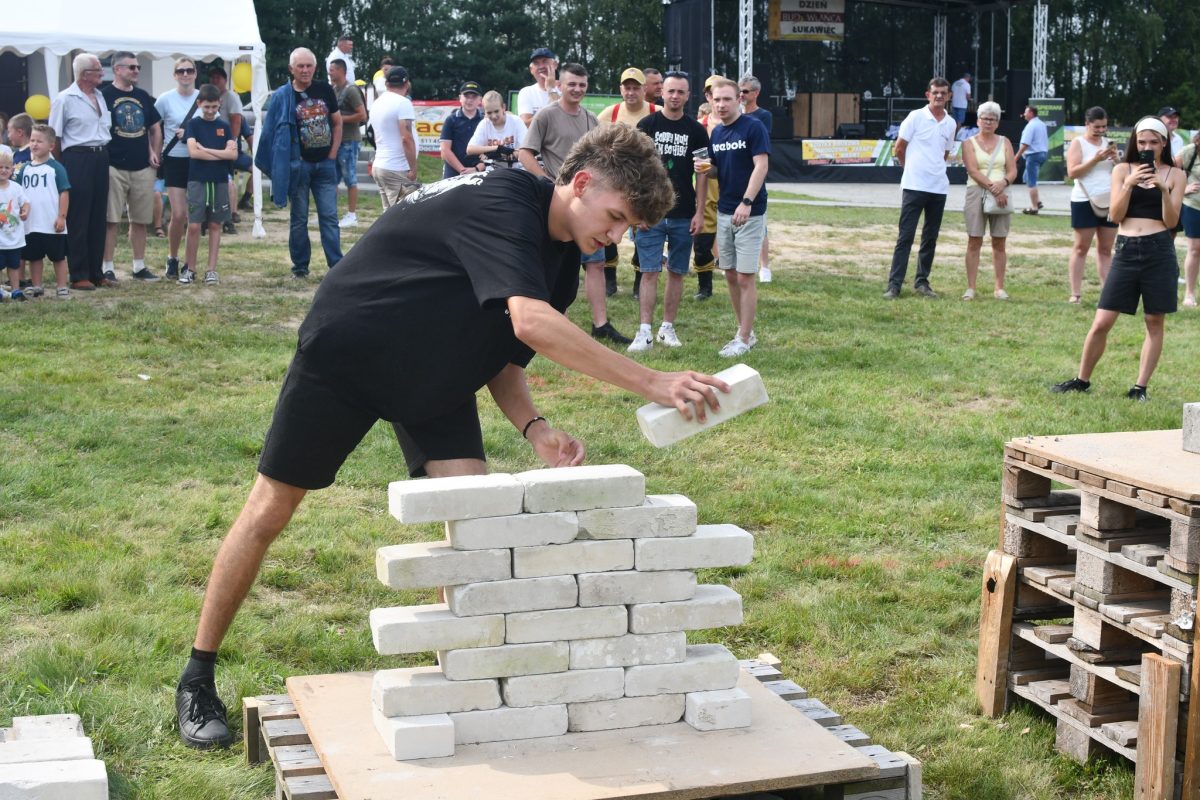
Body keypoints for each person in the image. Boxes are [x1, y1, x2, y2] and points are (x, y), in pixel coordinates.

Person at [172, 122, 730, 749]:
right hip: (349, 352)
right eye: (618, 217)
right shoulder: (504, 201)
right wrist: (652, 381)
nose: (618, 236)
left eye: (629, 229)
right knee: (270, 510)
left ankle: (465, 676)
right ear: (580, 184)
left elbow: (505, 348)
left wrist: (535, 427)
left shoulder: (565, 258)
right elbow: (531, 321)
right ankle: (197, 675)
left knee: (471, 514)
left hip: (433, 372)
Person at [1051, 117, 1185, 402]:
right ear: (1134, 143)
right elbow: (1114, 215)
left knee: (1154, 320)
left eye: (1153, 142)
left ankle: (1140, 387)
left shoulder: (1175, 175)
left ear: (1164, 143)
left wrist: (1162, 189)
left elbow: (1172, 221)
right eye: (1142, 142)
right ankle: (1082, 379)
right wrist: (1128, 185)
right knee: (1102, 320)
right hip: (1126, 249)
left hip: (1159, 250)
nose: (1147, 147)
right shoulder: (1122, 169)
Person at [520, 63, 629, 345]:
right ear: (560, 86)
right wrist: (547, 183)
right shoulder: (546, 115)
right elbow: (525, 153)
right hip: (560, 208)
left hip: (589, 207)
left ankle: (600, 323)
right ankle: (558, 324)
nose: (577, 89)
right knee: (558, 268)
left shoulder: (591, 119)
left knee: (595, 265)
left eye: (582, 85)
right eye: (572, 84)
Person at [627, 71, 709, 352]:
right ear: (662, 92)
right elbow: (633, 172)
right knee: (649, 272)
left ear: (688, 96)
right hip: (651, 214)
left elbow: (705, 174)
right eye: (670, 91)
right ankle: (644, 332)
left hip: (684, 213)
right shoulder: (646, 125)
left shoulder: (697, 130)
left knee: (677, 272)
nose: (675, 96)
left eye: (681, 92)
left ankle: (667, 328)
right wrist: (637, 211)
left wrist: (700, 212)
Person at [255, 47, 343, 279]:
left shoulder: (325, 89)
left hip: (325, 165)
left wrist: (332, 155)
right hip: (299, 166)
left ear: (315, 68)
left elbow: (337, 122)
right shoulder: (283, 96)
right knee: (299, 219)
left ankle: (337, 266)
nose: (305, 70)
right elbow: (271, 133)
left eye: (309, 66)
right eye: (300, 66)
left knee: (329, 217)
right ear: (291, 68)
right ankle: (300, 266)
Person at [707, 77, 768, 357]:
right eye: (717, 99)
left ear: (739, 100)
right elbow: (719, 170)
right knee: (729, 274)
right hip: (724, 210)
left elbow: (761, 166)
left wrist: (746, 202)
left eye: (727, 99)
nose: (721, 104)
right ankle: (745, 331)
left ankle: (743, 338)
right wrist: (705, 168)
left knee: (745, 277)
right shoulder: (717, 133)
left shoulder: (753, 128)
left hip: (749, 212)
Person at [884, 77, 955, 300]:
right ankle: (894, 285)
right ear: (928, 94)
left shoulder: (951, 123)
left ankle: (922, 282)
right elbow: (899, 148)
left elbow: (944, 153)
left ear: (949, 96)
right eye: (935, 92)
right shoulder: (915, 116)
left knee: (930, 238)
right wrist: (910, 170)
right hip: (914, 185)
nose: (939, 96)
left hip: (938, 188)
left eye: (943, 93)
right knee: (905, 237)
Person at [49, 53, 111, 292]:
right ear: (85, 74)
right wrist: (63, 168)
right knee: (79, 216)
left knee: (98, 216)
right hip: (77, 157)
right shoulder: (65, 99)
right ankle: (79, 273)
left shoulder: (101, 96)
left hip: (100, 155)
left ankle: (96, 271)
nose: (101, 74)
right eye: (98, 70)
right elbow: (55, 137)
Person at [101, 51, 163, 282]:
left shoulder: (143, 96)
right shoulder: (104, 95)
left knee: (140, 219)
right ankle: (107, 267)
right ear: (117, 69)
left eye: (138, 67)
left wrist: (154, 153)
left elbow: (155, 127)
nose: (136, 70)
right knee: (111, 219)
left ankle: (139, 266)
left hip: (142, 167)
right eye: (131, 67)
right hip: (114, 165)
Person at [598, 67, 657, 297]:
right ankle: (610, 280)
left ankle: (639, 281)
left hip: (645, 183)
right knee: (608, 230)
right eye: (627, 87)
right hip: (616, 183)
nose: (631, 92)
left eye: (636, 87)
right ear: (621, 89)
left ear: (644, 89)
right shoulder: (608, 114)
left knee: (644, 232)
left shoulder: (657, 111)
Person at [959, 101, 1016, 301]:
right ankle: (971, 287)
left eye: (993, 119)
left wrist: (1004, 183)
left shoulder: (1005, 142)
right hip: (977, 191)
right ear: (978, 121)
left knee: (999, 241)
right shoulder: (968, 143)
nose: (988, 122)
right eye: (985, 118)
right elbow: (973, 170)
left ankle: (999, 287)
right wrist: (995, 189)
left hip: (1002, 192)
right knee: (974, 240)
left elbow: (1012, 169)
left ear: (998, 123)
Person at [182, 84, 236, 286]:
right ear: (199, 104)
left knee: (215, 224)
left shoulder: (225, 126)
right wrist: (220, 154)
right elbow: (193, 153)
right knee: (194, 225)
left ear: (219, 104)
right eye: (207, 107)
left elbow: (233, 155)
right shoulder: (193, 125)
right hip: (197, 179)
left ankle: (211, 270)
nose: (211, 111)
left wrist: (208, 150)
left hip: (219, 180)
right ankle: (190, 268)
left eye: (214, 107)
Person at [1065, 106, 1118, 304]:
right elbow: (1072, 173)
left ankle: (1108, 294)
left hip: (1108, 198)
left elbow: (1119, 170)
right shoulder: (1078, 143)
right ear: (1087, 124)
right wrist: (1096, 159)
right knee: (1081, 247)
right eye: (1096, 127)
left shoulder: (1108, 143)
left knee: (1106, 249)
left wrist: (1116, 160)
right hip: (1084, 199)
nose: (1101, 130)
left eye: (1104, 126)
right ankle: (1075, 293)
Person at [155, 57, 200, 280]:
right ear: (174, 75)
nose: (185, 74)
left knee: (195, 217)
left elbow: (213, 129)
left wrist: (193, 134)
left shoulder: (203, 98)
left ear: (195, 73)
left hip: (198, 160)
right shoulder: (165, 99)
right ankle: (172, 257)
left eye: (189, 70)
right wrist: (152, 151)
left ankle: (189, 264)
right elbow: (152, 126)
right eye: (180, 71)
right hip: (174, 158)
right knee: (179, 214)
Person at [17, 125, 70, 299]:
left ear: (51, 146)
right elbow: (18, 193)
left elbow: (64, 192)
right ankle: (37, 286)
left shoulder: (56, 168)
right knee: (34, 257)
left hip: (51, 223)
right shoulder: (24, 169)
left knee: (58, 257)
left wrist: (61, 216)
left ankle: (62, 286)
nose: (34, 144)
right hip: (31, 223)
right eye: (32, 140)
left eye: (39, 141)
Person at [738, 75, 774, 283]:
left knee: (761, 224)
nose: (741, 95)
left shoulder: (763, 116)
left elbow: (759, 144)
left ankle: (765, 267)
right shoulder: (735, 115)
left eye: (746, 91)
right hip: (736, 174)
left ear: (756, 93)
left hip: (755, 174)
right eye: (740, 91)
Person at [368, 66, 418, 208]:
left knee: (388, 217)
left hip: (380, 164)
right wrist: (413, 168)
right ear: (407, 83)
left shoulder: (377, 103)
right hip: (397, 168)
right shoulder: (403, 103)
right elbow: (406, 138)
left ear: (386, 83)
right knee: (405, 216)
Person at [692, 80, 723, 301]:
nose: (717, 99)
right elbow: (699, 163)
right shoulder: (699, 126)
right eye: (712, 94)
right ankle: (705, 286)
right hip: (706, 187)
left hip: (734, 189)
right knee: (703, 239)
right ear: (707, 96)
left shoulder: (743, 125)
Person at [329, 58, 366, 228]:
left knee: (350, 178)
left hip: (349, 141)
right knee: (333, 179)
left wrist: (340, 119)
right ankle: (332, 214)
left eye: (333, 70)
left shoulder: (351, 91)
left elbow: (362, 115)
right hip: (337, 141)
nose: (330, 73)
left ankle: (352, 215)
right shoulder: (334, 90)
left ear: (341, 71)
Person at [208, 66, 244, 235]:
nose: (215, 81)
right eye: (212, 78)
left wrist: (232, 143)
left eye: (218, 78)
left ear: (225, 80)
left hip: (226, 145)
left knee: (227, 180)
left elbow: (236, 121)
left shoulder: (231, 97)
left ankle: (229, 217)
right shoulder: (207, 97)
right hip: (208, 146)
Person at [466, 91, 526, 169]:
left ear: (503, 107)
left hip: (517, 169)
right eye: (489, 113)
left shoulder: (516, 121)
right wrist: (497, 149)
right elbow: (470, 149)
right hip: (492, 171)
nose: (493, 116)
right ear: (485, 112)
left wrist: (490, 153)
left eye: (496, 111)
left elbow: (525, 151)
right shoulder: (484, 124)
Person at [0, 151, 30, 297]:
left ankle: (16, 290)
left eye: (6, 167)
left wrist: (25, 211)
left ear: (12, 170)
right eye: (0, 167)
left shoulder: (16, 188)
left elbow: (25, 203)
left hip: (14, 238)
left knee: (14, 265)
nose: (3, 170)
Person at [439, 81, 484, 179]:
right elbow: (445, 150)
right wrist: (462, 170)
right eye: (466, 96)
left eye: (474, 96)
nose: (469, 100)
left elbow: (489, 149)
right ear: (460, 98)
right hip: (453, 172)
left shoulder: (485, 121)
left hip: (478, 172)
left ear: (480, 100)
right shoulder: (451, 120)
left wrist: (476, 169)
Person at [1176, 130, 1200, 307]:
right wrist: (1183, 189)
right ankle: (1190, 294)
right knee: (1195, 249)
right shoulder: (1189, 151)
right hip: (1193, 205)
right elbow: (1168, 172)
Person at [1016, 105, 1048, 214]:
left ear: (1031, 113)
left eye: (1025, 112)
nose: (1024, 114)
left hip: (1033, 155)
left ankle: (1034, 208)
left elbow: (1025, 143)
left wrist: (1016, 157)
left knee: (1031, 181)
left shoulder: (1031, 125)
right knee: (1026, 177)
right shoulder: (1041, 124)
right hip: (1042, 153)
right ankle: (1037, 201)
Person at [517, 47, 561, 125]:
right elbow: (525, 124)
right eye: (536, 63)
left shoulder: (565, 89)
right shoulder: (526, 92)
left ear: (555, 65)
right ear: (531, 70)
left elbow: (564, 117)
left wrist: (551, 89)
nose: (541, 67)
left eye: (545, 61)